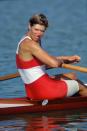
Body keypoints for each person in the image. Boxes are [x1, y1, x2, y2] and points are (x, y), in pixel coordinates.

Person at [16, 13, 87, 100]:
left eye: (42, 31)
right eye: (36, 29)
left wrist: (67, 59)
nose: (38, 34)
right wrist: (62, 61)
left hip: (32, 90)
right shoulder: (30, 44)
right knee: (79, 84)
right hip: (43, 91)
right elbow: (54, 63)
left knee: (71, 76)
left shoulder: (28, 39)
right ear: (29, 25)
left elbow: (44, 62)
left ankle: (68, 96)